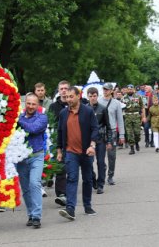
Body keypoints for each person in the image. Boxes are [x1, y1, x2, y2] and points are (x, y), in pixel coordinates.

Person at [57, 86, 99, 220]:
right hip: (70, 152)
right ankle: (70, 209)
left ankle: (87, 205)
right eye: (67, 97)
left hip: (86, 151)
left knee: (87, 179)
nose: (68, 99)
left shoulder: (87, 111)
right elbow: (60, 132)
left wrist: (92, 145)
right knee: (72, 178)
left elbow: (95, 129)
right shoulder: (64, 113)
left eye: (71, 96)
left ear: (78, 96)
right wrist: (59, 150)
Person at [17, 93, 48, 229]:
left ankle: (36, 216)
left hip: (37, 155)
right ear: (25, 103)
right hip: (21, 158)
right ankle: (30, 214)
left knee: (34, 183)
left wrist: (17, 121)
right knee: (25, 188)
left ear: (37, 105)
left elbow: (33, 129)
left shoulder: (42, 118)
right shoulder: (19, 117)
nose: (30, 106)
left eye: (33, 104)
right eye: (28, 103)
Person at [87, 87, 112, 194]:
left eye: (94, 96)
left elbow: (108, 126)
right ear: (87, 96)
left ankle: (101, 184)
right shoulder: (84, 109)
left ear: (97, 96)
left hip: (100, 139)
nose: (93, 98)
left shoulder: (103, 108)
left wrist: (109, 140)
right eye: (91, 96)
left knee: (100, 163)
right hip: (88, 140)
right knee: (88, 163)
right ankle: (93, 180)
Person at [98, 83, 125, 185]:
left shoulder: (116, 103)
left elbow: (120, 120)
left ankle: (110, 175)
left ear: (111, 91)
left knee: (111, 155)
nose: (105, 91)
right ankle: (102, 175)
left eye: (107, 89)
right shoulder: (98, 101)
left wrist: (122, 135)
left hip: (112, 131)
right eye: (104, 89)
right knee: (100, 156)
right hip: (101, 131)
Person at [49, 80, 70, 206]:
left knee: (71, 167)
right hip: (59, 139)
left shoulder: (73, 103)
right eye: (61, 88)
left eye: (66, 88)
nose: (63, 90)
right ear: (58, 90)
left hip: (73, 139)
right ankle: (61, 194)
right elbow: (50, 123)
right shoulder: (53, 106)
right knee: (60, 167)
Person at [122, 84, 146, 155]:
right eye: (128, 89)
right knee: (129, 133)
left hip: (136, 116)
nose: (130, 90)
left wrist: (143, 116)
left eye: (131, 89)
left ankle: (137, 142)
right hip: (127, 117)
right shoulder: (123, 98)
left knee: (137, 133)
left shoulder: (138, 97)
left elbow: (142, 107)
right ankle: (132, 148)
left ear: (134, 90)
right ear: (127, 90)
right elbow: (120, 108)